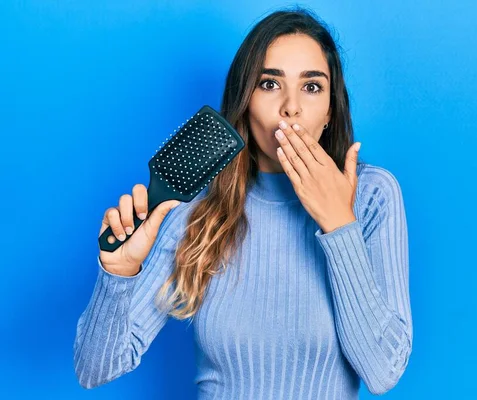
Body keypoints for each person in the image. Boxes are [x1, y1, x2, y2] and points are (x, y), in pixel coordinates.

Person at [74, 6, 413, 399]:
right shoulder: (197, 205)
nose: (290, 107)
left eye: (311, 86)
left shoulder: (372, 195)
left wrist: (339, 225)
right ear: (245, 102)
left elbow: (383, 372)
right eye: (269, 84)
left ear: (330, 113)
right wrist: (119, 272)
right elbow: (94, 369)